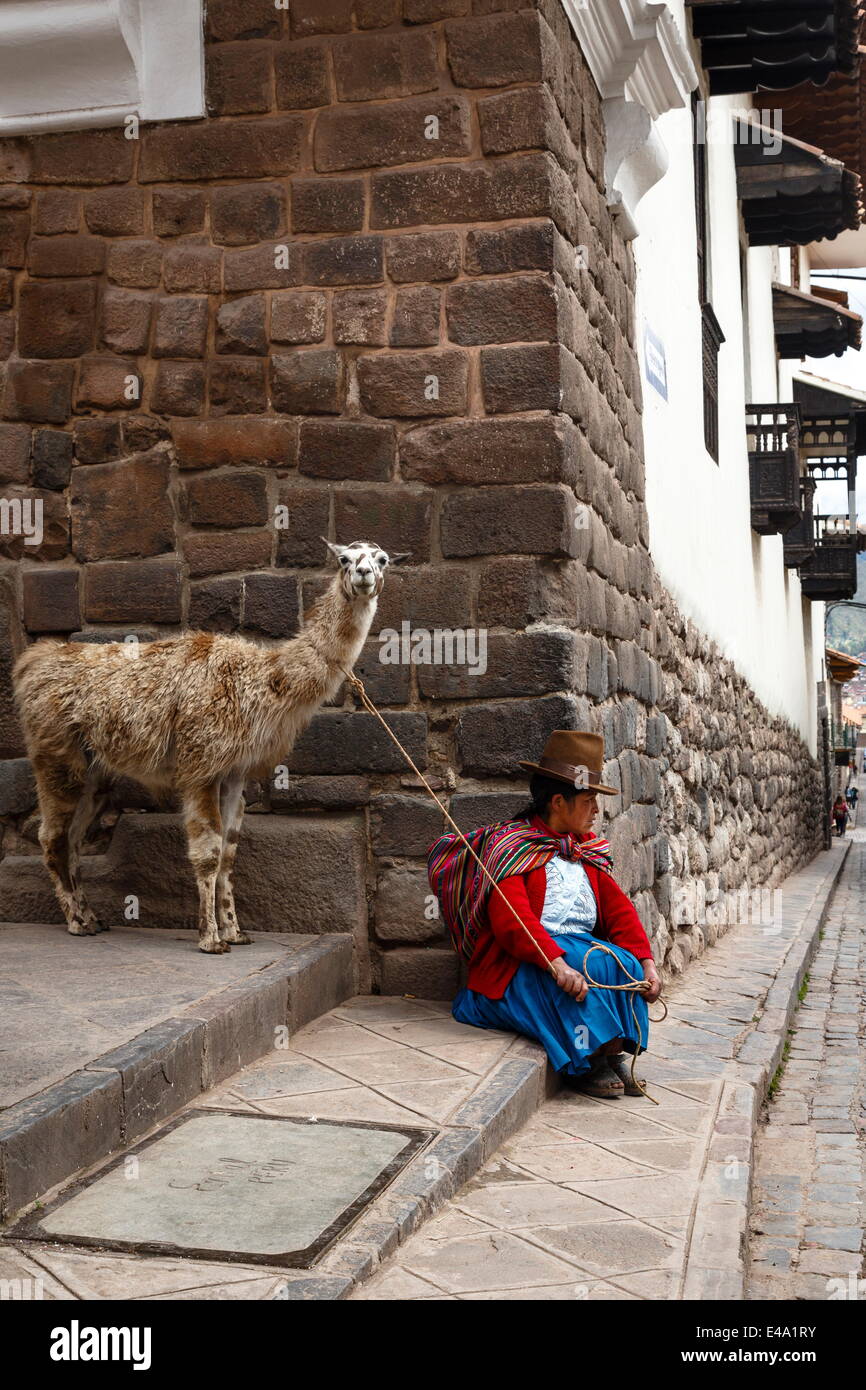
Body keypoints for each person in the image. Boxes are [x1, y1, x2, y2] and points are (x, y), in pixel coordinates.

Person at [428, 731, 661, 1101]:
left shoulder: (586, 851)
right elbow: (512, 921)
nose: (596, 812)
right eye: (588, 801)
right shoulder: (513, 846)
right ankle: (585, 1062)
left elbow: (619, 911)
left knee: (622, 963)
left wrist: (647, 964)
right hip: (522, 961)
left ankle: (610, 1052)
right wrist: (556, 965)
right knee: (584, 967)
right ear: (558, 802)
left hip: (572, 950)